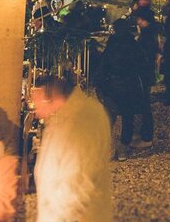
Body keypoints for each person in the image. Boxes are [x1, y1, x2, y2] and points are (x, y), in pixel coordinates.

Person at [30, 74, 112, 222]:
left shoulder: (85, 119)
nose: (36, 113)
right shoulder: (61, 118)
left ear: (52, 99)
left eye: (38, 104)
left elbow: (78, 183)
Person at [96, 18, 149, 161]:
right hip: (130, 85)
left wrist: (99, 85)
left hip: (112, 86)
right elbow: (143, 65)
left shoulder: (111, 47)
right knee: (128, 117)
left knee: (109, 117)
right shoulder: (134, 46)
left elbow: (103, 67)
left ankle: (106, 147)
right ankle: (123, 147)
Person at [133, 6, 160, 149]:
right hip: (146, 72)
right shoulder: (150, 32)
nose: (138, 22)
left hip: (144, 72)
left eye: (139, 19)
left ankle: (147, 137)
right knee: (144, 103)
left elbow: (145, 54)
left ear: (145, 20)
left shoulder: (147, 35)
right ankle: (144, 133)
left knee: (145, 104)